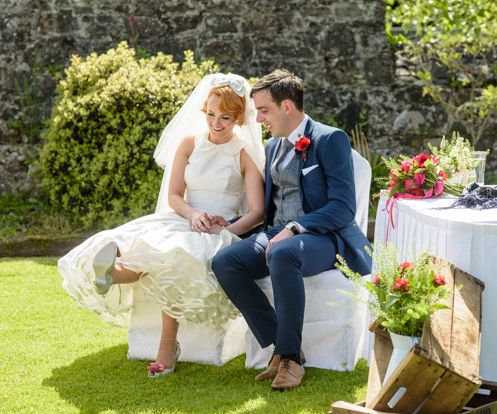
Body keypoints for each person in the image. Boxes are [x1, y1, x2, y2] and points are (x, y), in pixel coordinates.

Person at [58, 73, 265, 377]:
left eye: (224, 117)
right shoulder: (188, 144)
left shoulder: (244, 155)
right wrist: (193, 215)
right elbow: (173, 196)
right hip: (183, 217)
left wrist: (225, 231)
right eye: (210, 114)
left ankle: (158, 335)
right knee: (158, 243)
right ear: (203, 112)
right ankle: (112, 271)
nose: (215, 123)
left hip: (219, 229)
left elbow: (257, 212)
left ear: (239, 119)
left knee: (175, 255)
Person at [212, 69, 372, 390]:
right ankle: (281, 346)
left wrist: (297, 227)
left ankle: (291, 362)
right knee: (225, 261)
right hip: (276, 234)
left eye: (264, 110)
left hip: (324, 238)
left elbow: (343, 208)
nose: (258, 119)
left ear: (287, 106)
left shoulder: (330, 139)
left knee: (284, 252)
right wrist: (228, 225)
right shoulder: (272, 148)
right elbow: (265, 208)